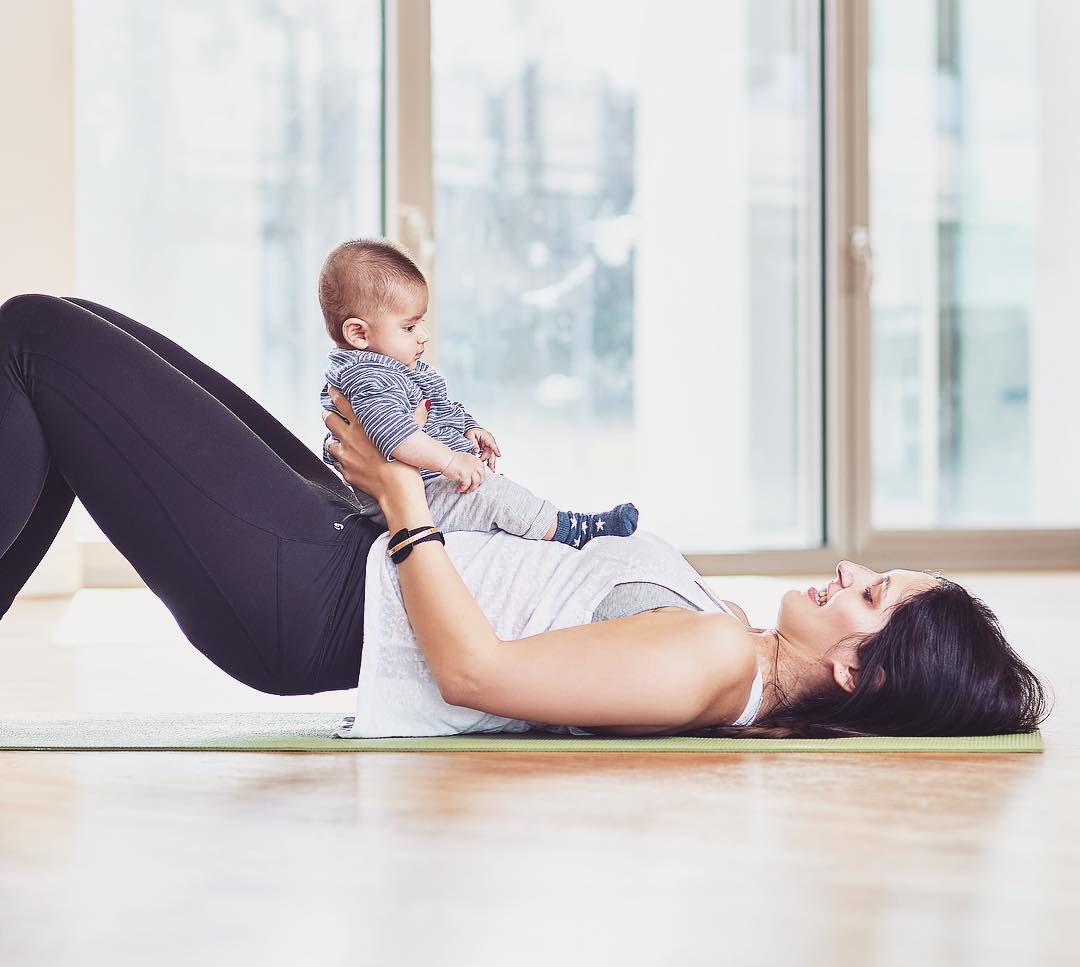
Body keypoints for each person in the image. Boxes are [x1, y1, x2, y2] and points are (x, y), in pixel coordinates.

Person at [0, 294, 1049, 739]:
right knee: (65, 350)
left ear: (861, 670)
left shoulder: (713, 664)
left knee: (37, 341)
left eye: (869, 597)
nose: (850, 571)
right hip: (353, 548)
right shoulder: (724, 638)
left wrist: (404, 495)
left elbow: (476, 674)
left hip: (312, 599)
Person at [318, 237, 638, 549]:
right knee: (492, 497)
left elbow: (440, 406)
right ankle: (572, 530)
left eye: (422, 322)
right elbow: (395, 435)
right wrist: (450, 461)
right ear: (358, 333)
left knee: (496, 493)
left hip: (427, 481)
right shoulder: (368, 377)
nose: (424, 335)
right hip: (411, 495)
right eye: (409, 327)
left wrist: (468, 428)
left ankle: (547, 525)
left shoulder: (395, 366)